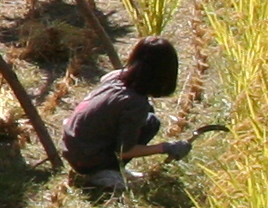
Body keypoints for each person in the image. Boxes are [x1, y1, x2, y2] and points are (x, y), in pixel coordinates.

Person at [62, 37, 193, 191]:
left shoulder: (115, 77)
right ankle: (101, 173)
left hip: (71, 146)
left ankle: (105, 167)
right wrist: (165, 147)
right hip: (84, 159)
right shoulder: (135, 104)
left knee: (149, 120)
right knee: (150, 124)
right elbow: (125, 151)